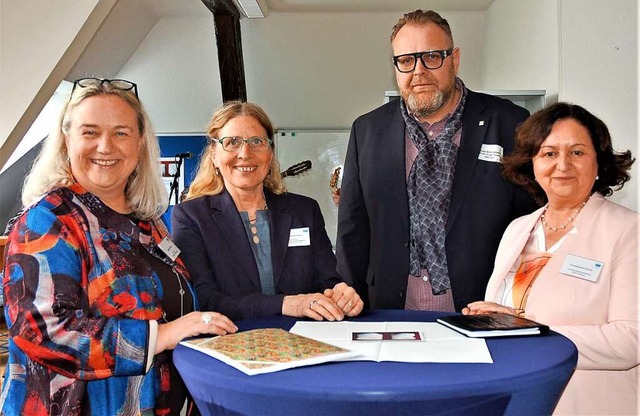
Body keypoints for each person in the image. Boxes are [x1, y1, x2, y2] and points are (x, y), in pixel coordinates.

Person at [0, 78, 238, 416]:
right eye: (90, 132)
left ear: (140, 143)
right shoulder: (48, 222)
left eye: (121, 133)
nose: (106, 146)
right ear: (67, 140)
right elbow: (44, 332)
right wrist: (165, 334)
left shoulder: (148, 222)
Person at [336, 9, 538, 312]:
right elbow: (353, 228)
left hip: (483, 306)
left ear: (454, 59)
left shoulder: (510, 123)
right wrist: (350, 302)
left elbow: (532, 225)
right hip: (388, 309)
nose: (418, 71)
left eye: (431, 56)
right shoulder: (367, 131)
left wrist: (522, 303)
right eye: (406, 60)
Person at [464, 102, 638, 415]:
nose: (562, 165)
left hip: (589, 405)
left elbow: (631, 340)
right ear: (532, 163)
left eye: (577, 152)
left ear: (599, 163)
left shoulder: (628, 231)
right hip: (516, 398)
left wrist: (531, 330)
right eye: (549, 153)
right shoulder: (519, 229)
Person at [171, 101, 363, 321]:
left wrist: (340, 294)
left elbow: (326, 281)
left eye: (257, 142)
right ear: (214, 155)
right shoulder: (191, 217)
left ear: (270, 154)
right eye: (232, 142)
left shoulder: (305, 211)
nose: (245, 153)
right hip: (231, 346)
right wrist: (286, 304)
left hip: (305, 345)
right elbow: (204, 300)